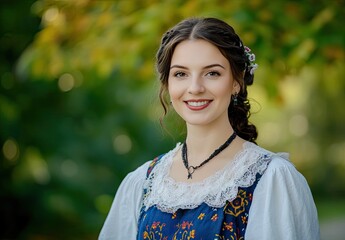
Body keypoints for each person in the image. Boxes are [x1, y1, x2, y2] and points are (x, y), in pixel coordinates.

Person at [99, 17, 320, 239]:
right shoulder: (142, 183)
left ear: (236, 82)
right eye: (181, 74)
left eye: (212, 73)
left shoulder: (272, 179)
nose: (195, 88)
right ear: (168, 84)